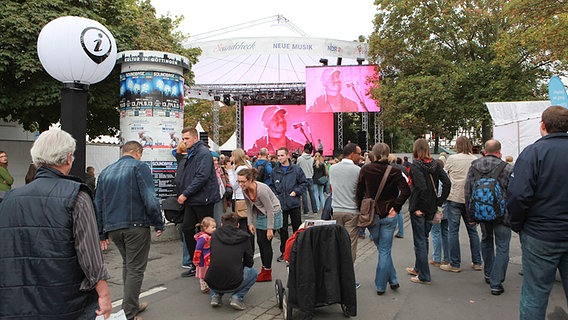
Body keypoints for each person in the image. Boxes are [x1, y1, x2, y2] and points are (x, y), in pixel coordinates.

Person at [0, 129, 112, 319]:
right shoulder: (77, 196)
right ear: (69, 158)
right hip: (66, 302)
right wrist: (104, 293)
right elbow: (89, 254)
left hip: (15, 302)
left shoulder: (9, 198)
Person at [507, 106, 568, 319]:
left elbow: (517, 196)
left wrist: (518, 225)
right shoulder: (535, 152)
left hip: (540, 234)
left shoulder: (534, 152)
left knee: (535, 293)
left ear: (542, 125)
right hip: (546, 230)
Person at [95, 141, 164, 320]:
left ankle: (131, 305)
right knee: (135, 268)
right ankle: (129, 314)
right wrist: (158, 222)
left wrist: (102, 232)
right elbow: (150, 197)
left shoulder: (106, 171)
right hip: (136, 225)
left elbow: (98, 204)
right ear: (138, 152)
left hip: (113, 227)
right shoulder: (139, 167)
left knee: (128, 264)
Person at [356, 143, 410, 295]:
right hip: (389, 214)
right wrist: (396, 207)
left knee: (382, 249)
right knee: (384, 250)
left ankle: (381, 286)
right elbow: (406, 191)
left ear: (374, 153)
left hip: (372, 215)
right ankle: (392, 280)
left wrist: (361, 209)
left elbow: (359, 193)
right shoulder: (394, 171)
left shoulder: (365, 169)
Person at [465, 139, 513, 296]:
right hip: (502, 214)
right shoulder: (507, 168)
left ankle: (488, 273)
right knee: (502, 246)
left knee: (486, 239)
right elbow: (514, 193)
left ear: (484, 151)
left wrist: (470, 215)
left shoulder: (474, 167)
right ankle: (496, 282)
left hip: (482, 212)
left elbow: (468, 191)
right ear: (499, 152)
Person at [177, 127, 221, 278]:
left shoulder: (203, 153)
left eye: (187, 138)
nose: (184, 141)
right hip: (193, 199)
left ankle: (209, 262)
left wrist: (185, 193)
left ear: (195, 138)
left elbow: (201, 177)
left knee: (206, 232)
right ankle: (197, 262)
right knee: (187, 228)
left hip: (202, 199)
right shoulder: (192, 153)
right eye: (183, 139)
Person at [406, 138, 450, 285]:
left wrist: (417, 207)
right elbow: (447, 183)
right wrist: (440, 200)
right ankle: (419, 268)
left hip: (420, 208)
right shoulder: (436, 164)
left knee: (420, 241)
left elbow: (421, 187)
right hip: (432, 207)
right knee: (423, 238)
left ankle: (424, 275)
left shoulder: (416, 166)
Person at [440, 136, 483, 273]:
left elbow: (444, 176)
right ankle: (477, 262)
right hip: (470, 199)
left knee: (453, 231)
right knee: (473, 231)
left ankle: (455, 263)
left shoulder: (452, 159)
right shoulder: (475, 160)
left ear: (457, 146)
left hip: (454, 198)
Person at [238, 168, 283, 282]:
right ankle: (265, 270)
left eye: (243, 181)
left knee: (265, 242)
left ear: (251, 180)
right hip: (260, 213)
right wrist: (250, 223)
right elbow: (249, 207)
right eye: (239, 181)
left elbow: (270, 209)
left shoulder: (261, 190)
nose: (240, 184)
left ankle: (267, 271)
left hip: (273, 212)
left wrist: (270, 228)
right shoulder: (245, 189)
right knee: (261, 242)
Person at [205, 213, 257, 311]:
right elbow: (249, 261)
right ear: (237, 225)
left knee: (215, 267)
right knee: (253, 273)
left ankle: (215, 295)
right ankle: (237, 297)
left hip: (212, 279)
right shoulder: (244, 237)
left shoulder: (215, 235)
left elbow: (213, 255)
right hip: (234, 281)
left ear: (221, 224)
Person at [270, 147, 307, 262]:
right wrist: (275, 194)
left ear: (287, 156)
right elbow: (271, 185)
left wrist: (296, 191)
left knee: (297, 227)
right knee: (283, 229)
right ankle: (285, 252)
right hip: (281, 204)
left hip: (294, 203)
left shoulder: (296, 169)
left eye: (282, 155)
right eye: (278, 156)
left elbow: (303, 183)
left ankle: (299, 251)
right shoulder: (275, 171)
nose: (280, 158)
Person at [328, 143, 362, 263]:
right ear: (352, 155)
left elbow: (332, 187)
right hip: (352, 211)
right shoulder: (358, 170)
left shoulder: (332, 169)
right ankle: (348, 276)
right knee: (350, 245)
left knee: (337, 244)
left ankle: (337, 274)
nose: (361, 157)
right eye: (359, 154)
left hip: (336, 210)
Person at [193, 217, 217, 294]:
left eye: (215, 227)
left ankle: (209, 285)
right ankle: (204, 286)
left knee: (208, 272)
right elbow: (198, 249)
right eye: (212, 227)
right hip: (203, 259)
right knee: (203, 274)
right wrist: (196, 259)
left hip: (209, 258)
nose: (214, 229)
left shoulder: (211, 236)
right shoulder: (203, 238)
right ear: (205, 228)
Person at [296, 143, 318, 215]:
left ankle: (306, 211)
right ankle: (315, 210)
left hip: (302, 178)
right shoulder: (312, 159)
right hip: (310, 177)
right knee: (312, 195)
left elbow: (297, 168)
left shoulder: (300, 159)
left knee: (304, 195)